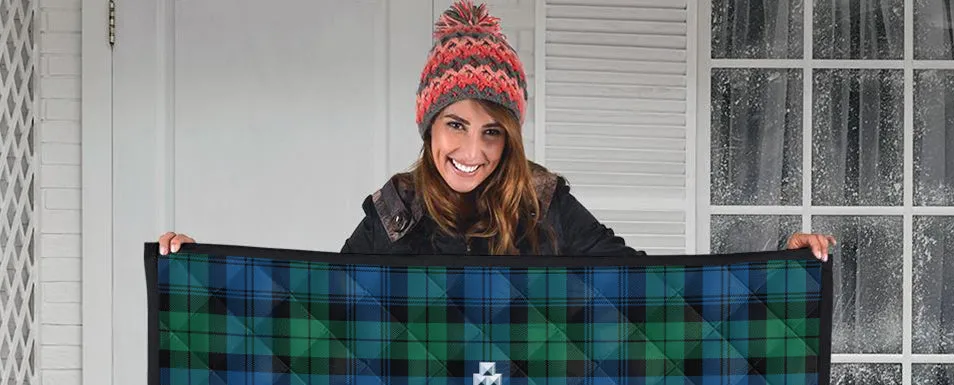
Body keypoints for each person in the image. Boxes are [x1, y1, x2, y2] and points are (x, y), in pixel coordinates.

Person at [158, 1, 835, 262]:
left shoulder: (545, 204)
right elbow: (317, 313)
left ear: (511, 137)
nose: (472, 151)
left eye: (492, 132)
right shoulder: (395, 212)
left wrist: (782, 264)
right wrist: (197, 271)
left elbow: (651, 290)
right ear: (429, 127)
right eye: (456, 126)